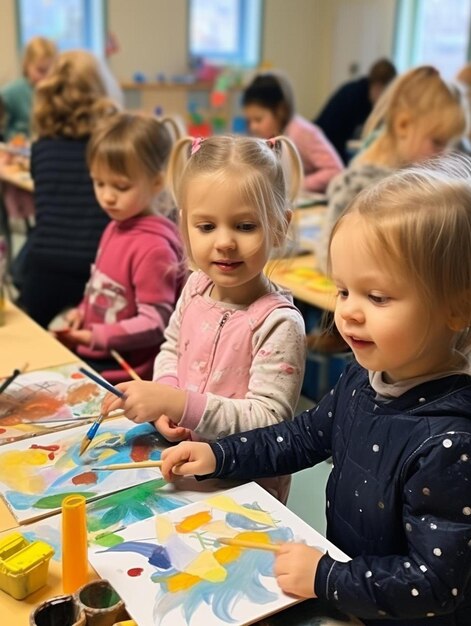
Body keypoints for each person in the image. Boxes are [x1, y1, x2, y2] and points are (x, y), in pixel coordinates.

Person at [160, 156, 471, 626]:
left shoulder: (451, 444)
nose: (347, 313)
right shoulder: (362, 378)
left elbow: (431, 583)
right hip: (350, 595)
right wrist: (219, 456)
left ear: (457, 309)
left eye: (378, 297)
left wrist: (325, 577)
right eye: (344, 291)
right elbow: (301, 437)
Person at [102, 135, 307, 502]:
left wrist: (179, 402)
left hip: (242, 491)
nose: (225, 242)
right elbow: (171, 348)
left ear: (279, 226)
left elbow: (269, 422)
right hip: (181, 471)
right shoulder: (196, 287)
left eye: (245, 226)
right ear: (185, 225)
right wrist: (167, 399)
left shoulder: (278, 323)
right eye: (207, 227)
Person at [54, 112, 185, 383]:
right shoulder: (116, 224)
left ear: (157, 182)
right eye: (99, 183)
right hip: (98, 355)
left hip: (124, 374)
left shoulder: (154, 248)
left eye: (121, 186)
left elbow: (154, 323)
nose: (107, 196)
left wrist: (96, 336)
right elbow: (100, 285)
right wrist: (81, 311)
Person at [315, 65, 467, 275]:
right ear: (403, 126)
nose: (445, 155)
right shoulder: (359, 183)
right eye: (438, 143)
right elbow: (328, 259)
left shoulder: (431, 181)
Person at [17, 50, 121, 328]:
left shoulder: (41, 148)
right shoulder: (109, 149)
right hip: (98, 267)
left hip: (45, 266)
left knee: (30, 341)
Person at [242, 72, 343, 193]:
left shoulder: (302, 132)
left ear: (281, 110)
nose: (253, 127)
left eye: (258, 119)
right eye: (249, 121)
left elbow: (335, 169)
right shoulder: (269, 137)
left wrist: (299, 184)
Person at [314, 58, 397, 164]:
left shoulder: (373, 101)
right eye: (381, 92)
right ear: (374, 85)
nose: (383, 99)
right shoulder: (351, 96)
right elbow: (332, 136)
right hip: (325, 144)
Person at [0, 36, 57, 140]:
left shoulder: (56, 93)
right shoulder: (9, 93)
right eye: (41, 71)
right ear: (27, 64)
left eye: (51, 71)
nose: (46, 77)